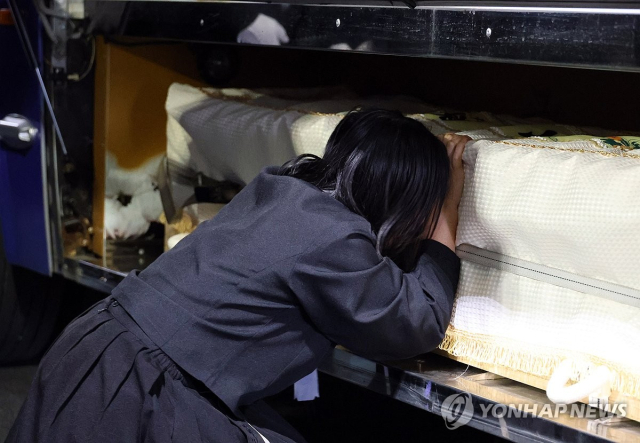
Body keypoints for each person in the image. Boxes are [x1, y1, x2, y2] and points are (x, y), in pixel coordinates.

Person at [7, 108, 469, 443]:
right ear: (403, 197)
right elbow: (418, 321)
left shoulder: (279, 190)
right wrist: (447, 212)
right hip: (148, 392)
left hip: (97, 349)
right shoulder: (333, 238)